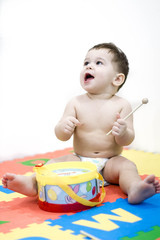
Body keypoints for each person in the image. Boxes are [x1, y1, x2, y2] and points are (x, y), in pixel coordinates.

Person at [2, 43, 160, 204]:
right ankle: (33, 183)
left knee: (127, 166)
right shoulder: (76, 102)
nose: (89, 66)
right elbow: (61, 135)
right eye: (86, 63)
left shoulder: (122, 105)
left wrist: (123, 132)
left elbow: (127, 139)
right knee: (55, 163)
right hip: (79, 161)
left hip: (110, 164)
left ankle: (134, 188)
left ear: (117, 78)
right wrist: (64, 127)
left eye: (98, 63)